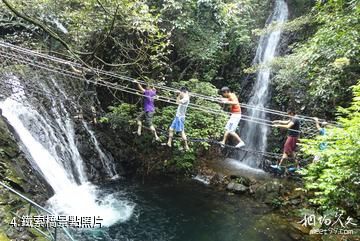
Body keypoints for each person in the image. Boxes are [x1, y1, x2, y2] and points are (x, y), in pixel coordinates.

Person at [167, 87, 190, 151]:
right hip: (177, 116)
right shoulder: (185, 96)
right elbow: (186, 92)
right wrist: (179, 93)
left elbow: (177, 102)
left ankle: (186, 145)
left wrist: (178, 95)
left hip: (180, 118)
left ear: (183, 92)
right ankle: (169, 142)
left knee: (182, 132)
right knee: (171, 129)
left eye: (181, 92)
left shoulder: (186, 98)